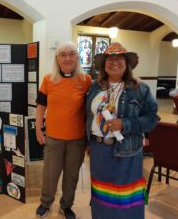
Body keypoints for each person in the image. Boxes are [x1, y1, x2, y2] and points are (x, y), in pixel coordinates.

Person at [86, 42, 158, 219]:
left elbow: (152, 118)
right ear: (104, 65)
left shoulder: (140, 89)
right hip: (98, 150)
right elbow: (87, 114)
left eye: (119, 59)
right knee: (101, 195)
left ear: (127, 64)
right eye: (109, 59)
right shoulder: (95, 87)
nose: (114, 62)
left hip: (127, 151)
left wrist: (125, 124)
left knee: (125, 197)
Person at [35, 42, 92, 219]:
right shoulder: (48, 79)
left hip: (77, 139)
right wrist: (38, 128)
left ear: (77, 57)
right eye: (63, 55)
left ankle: (66, 206)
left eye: (72, 54)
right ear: (57, 59)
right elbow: (41, 106)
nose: (67, 58)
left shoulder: (86, 80)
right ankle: (45, 202)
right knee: (50, 175)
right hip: (53, 137)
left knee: (72, 176)